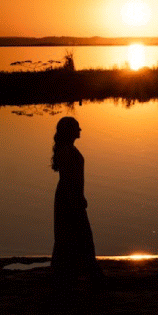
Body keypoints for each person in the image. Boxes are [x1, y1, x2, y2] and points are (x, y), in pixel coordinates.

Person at [50, 116, 105, 289]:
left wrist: (80, 197)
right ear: (69, 131)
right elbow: (68, 179)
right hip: (69, 199)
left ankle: (69, 276)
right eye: (77, 128)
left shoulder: (69, 149)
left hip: (71, 197)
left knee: (71, 238)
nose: (80, 131)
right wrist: (76, 200)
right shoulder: (66, 151)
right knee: (79, 237)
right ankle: (87, 276)